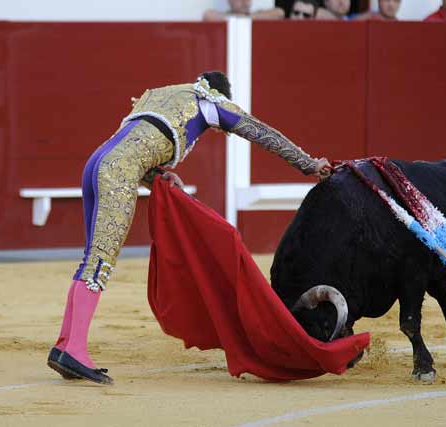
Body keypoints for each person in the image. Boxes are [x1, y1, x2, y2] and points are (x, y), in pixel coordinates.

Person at [46, 71, 332, 384]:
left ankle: (64, 345)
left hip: (97, 163)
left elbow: (135, 146)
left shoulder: (160, 94)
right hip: (117, 172)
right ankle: (74, 348)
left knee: (92, 258)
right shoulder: (211, 101)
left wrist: (156, 177)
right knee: (100, 262)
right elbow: (260, 132)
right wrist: (308, 163)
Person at [203, 0, 285, 21]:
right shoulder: (222, 16)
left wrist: (248, 17)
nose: (244, 2)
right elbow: (208, 15)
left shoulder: (257, 14)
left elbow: (279, 13)